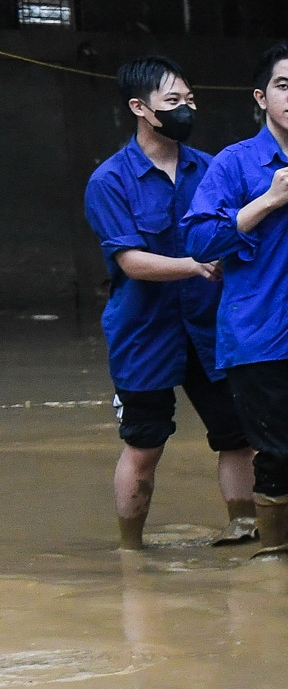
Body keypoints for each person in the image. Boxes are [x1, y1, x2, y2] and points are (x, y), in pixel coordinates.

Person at [184, 43, 288, 562]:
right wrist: (267, 201)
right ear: (261, 98)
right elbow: (198, 242)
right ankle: (274, 568)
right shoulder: (234, 163)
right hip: (257, 337)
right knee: (277, 454)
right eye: (283, 86)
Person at [84, 55, 257, 551]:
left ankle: (243, 529)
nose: (186, 108)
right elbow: (132, 262)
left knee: (236, 435)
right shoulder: (110, 181)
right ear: (140, 107)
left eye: (190, 99)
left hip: (211, 329)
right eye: (173, 101)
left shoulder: (212, 169)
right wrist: (194, 265)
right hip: (144, 333)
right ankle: (131, 550)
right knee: (144, 443)